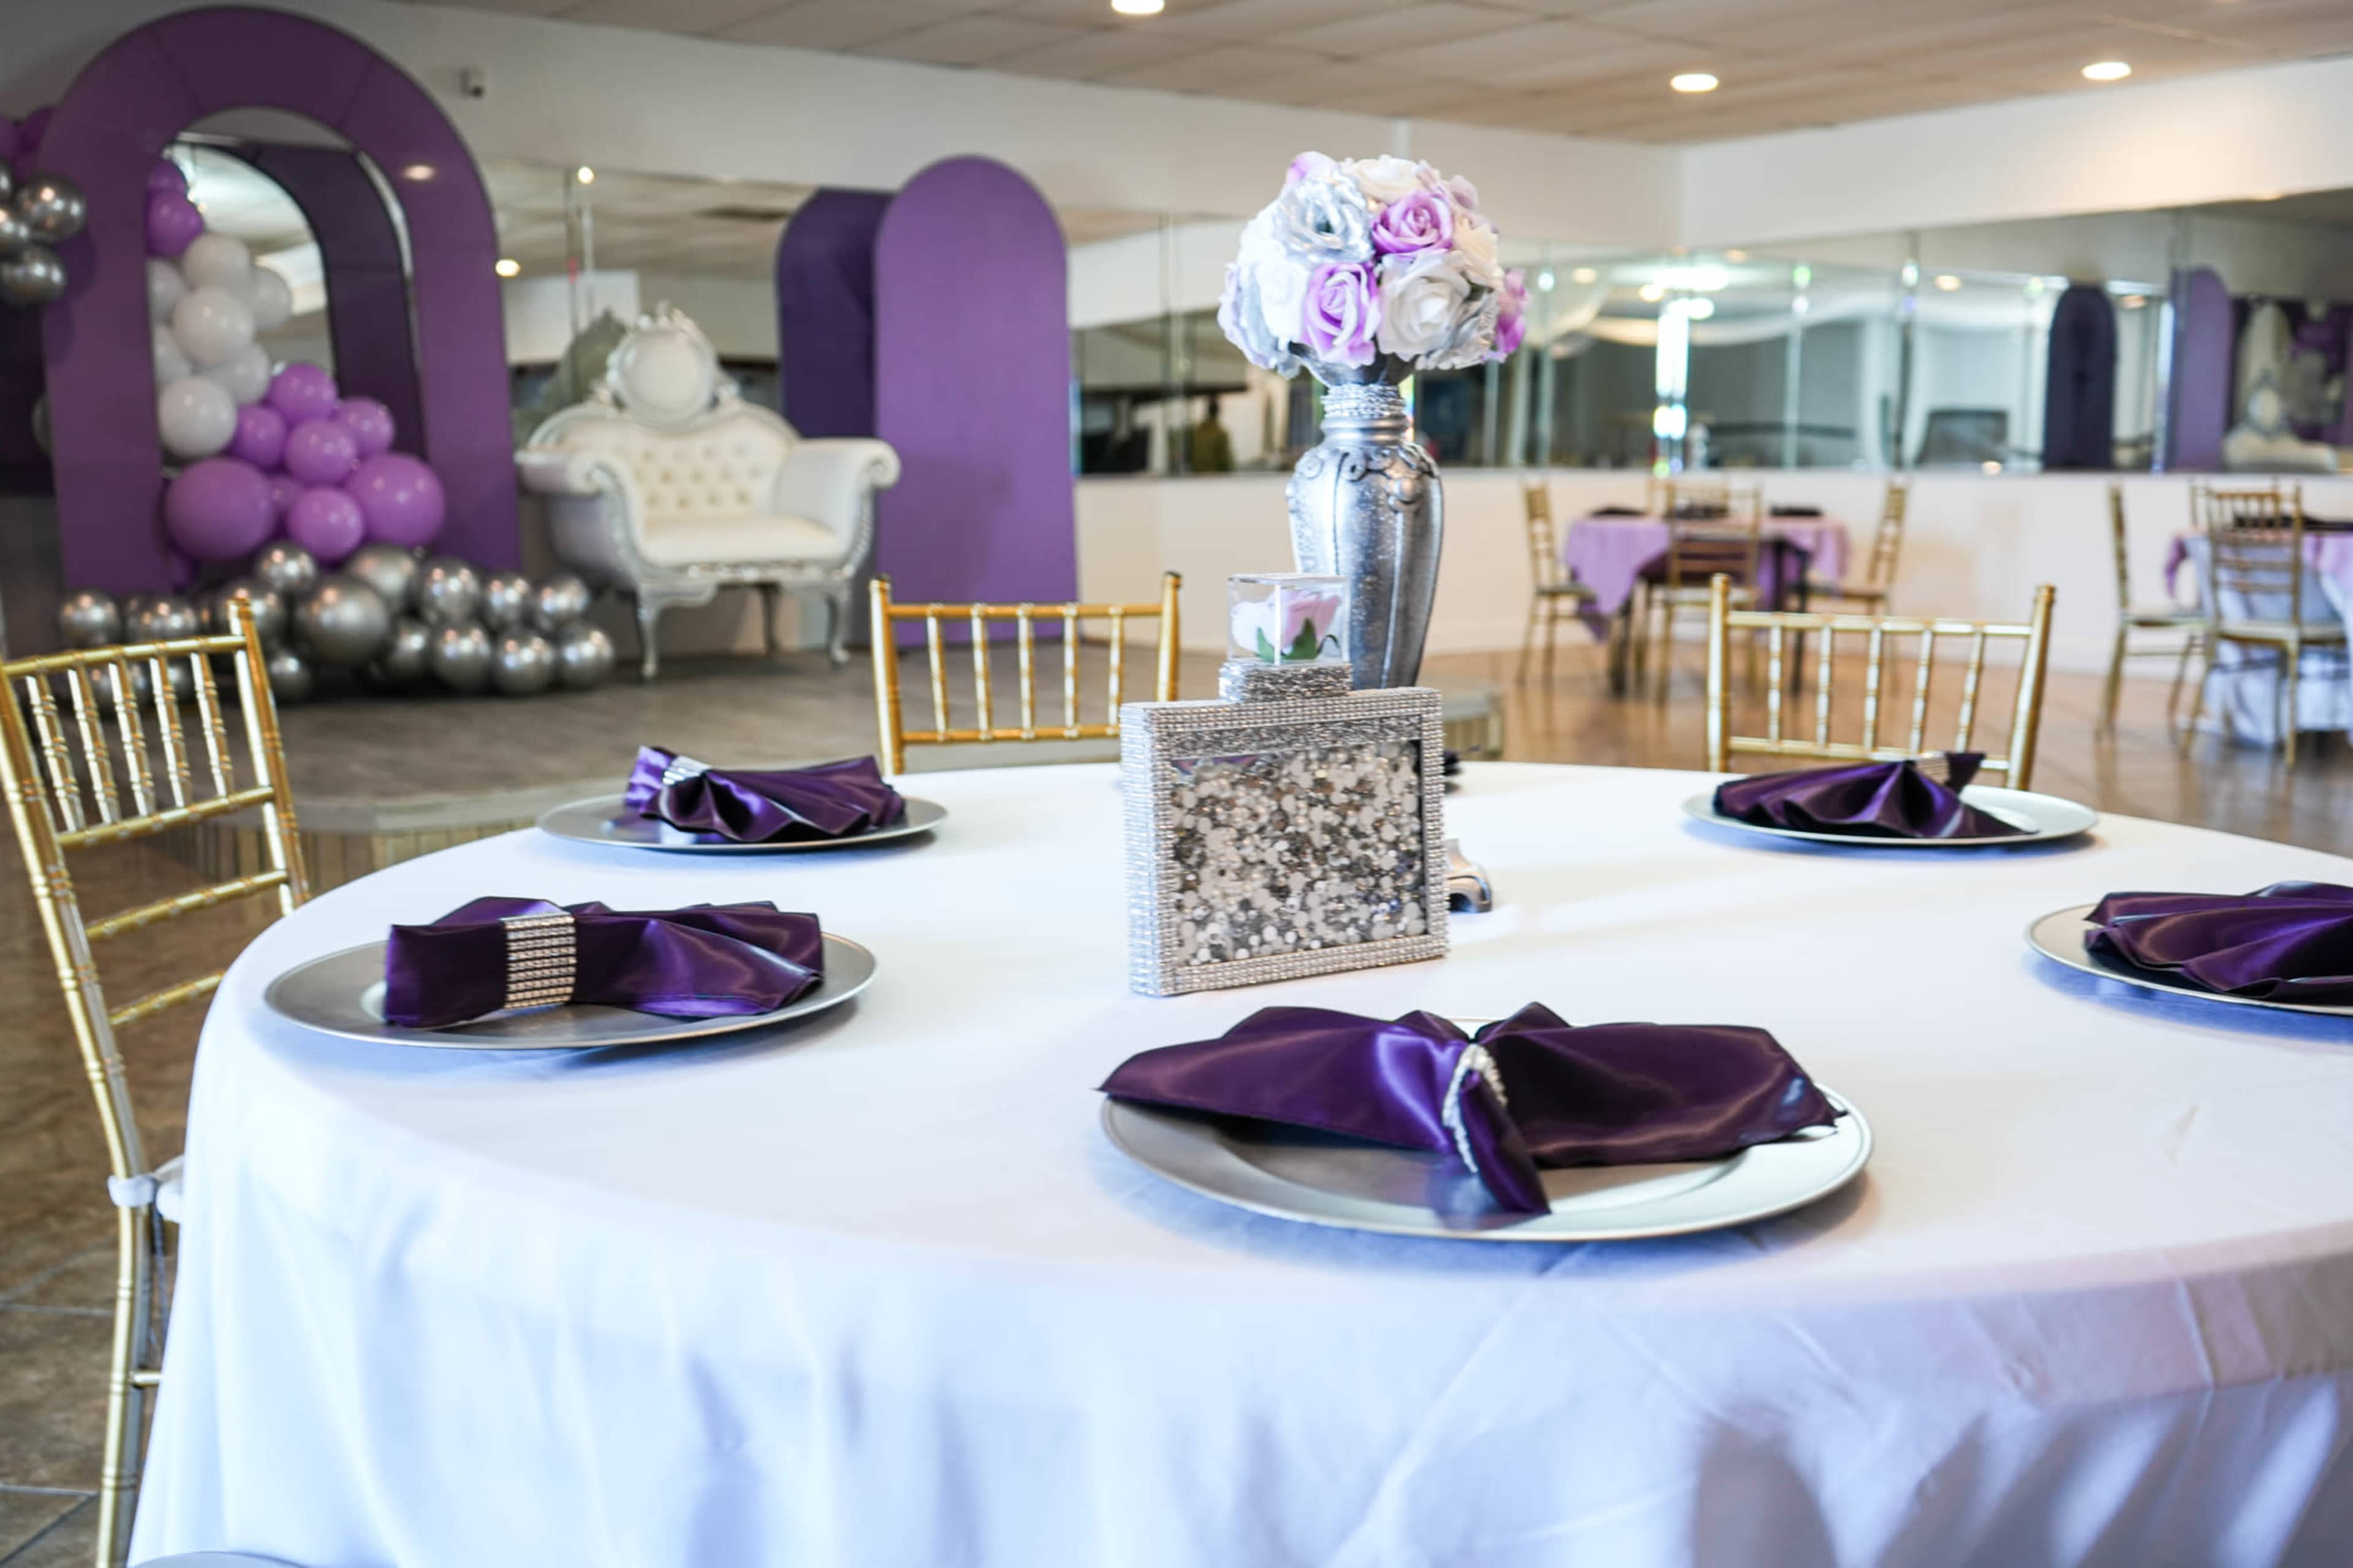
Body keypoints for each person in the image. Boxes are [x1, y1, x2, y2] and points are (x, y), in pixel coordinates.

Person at [1188, 395, 1235, 474]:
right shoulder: (1220, 433)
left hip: (1196, 475)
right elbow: (1226, 461)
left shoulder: (1197, 432)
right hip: (1214, 476)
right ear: (1218, 412)